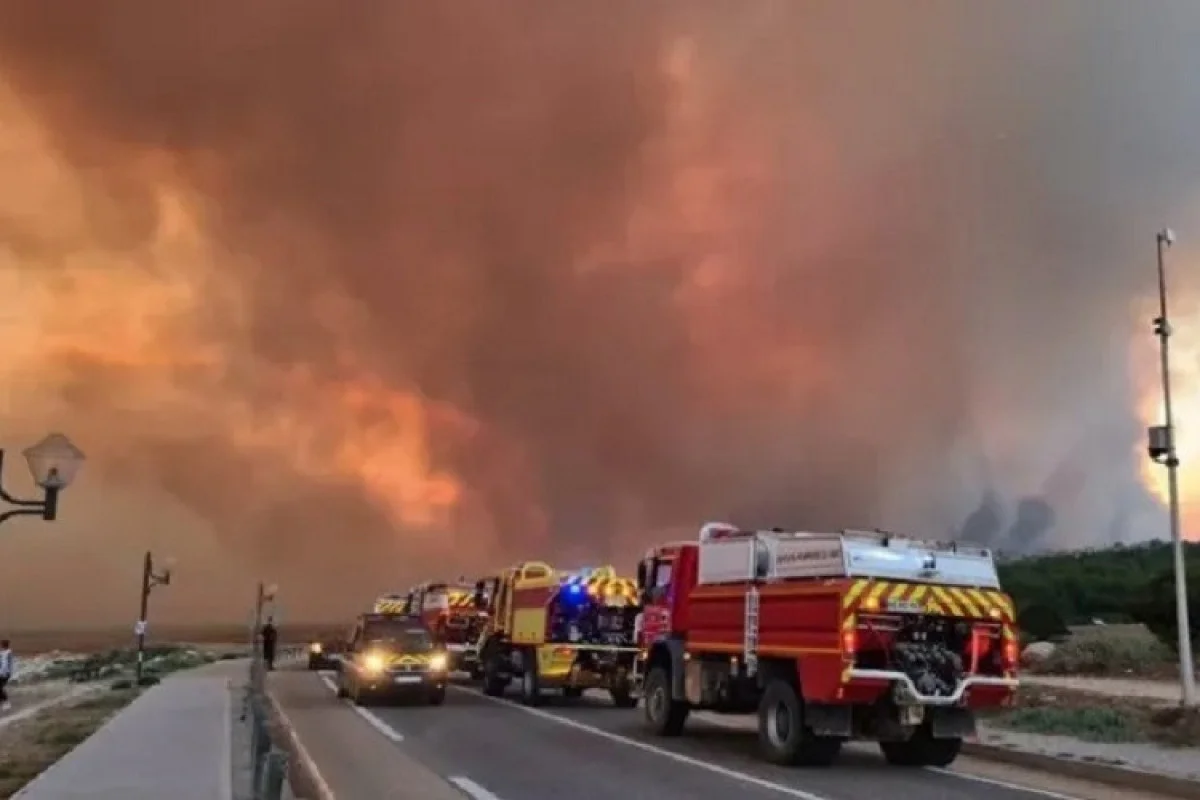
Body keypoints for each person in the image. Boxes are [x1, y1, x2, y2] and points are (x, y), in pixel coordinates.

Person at [0, 640, 14, 711]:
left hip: (5, 673)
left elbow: (5, 664)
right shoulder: (3, 653)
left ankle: (7, 703)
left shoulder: (8, 653)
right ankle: (3, 701)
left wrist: (3, 673)